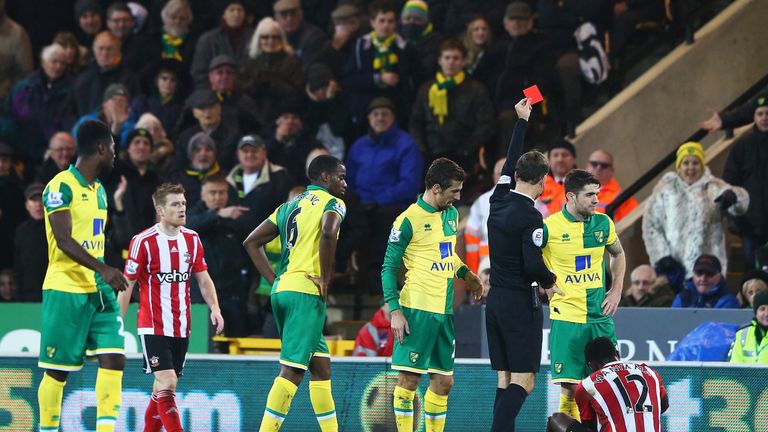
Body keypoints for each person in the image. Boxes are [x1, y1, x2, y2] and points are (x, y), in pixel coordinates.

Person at [243, 155, 347, 431]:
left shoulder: (289, 205)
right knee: (292, 370)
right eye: (341, 176)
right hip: (306, 293)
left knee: (321, 367)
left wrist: (276, 280)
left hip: (282, 291)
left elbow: (251, 242)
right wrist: (325, 279)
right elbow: (328, 231)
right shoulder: (333, 203)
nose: (344, 183)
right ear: (325, 177)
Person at [37, 120, 128, 432]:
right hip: (65, 289)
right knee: (58, 372)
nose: (116, 154)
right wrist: (103, 267)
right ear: (102, 148)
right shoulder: (59, 186)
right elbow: (63, 240)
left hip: (98, 290)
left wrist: (104, 271)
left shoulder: (100, 190)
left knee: (115, 357)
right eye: (113, 148)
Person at [382, 157, 483, 432]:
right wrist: (395, 311)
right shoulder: (406, 220)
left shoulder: (450, 215)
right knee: (408, 382)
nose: (458, 197)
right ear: (436, 188)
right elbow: (388, 268)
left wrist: (468, 275)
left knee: (443, 383)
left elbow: (447, 255)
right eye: (454, 191)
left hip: (444, 310)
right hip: (416, 310)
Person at [118, 183, 225, 432]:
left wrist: (215, 309)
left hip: (182, 325)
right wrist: (116, 323)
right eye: (175, 204)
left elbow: (203, 278)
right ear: (160, 210)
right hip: (153, 324)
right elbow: (127, 285)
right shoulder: (143, 242)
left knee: (161, 388)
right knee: (167, 381)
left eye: (184, 204)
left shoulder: (192, 238)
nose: (182, 209)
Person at [485, 98, 559, 432]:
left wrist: (522, 122)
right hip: (519, 303)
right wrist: (551, 280)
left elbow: (508, 165)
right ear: (543, 180)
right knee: (524, 382)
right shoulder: (532, 216)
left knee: (505, 381)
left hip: (495, 302)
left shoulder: (497, 199)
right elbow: (533, 264)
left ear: (515, 176)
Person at [542, 169, 626, 420]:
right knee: (570, 390)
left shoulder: (603, 223)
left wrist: (617, 290)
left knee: (609, 386)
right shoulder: (550, 228)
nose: (596, 199)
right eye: (589, 195)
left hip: (600, 315)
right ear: (570, 196)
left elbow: (618, 253)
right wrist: (545, 282)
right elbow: (528, 258)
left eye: (597, 194)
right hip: (567, 316)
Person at [642, 141, 749, 276]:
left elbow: (742, 204)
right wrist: (662, 255)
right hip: (673, 267)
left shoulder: (713, 186)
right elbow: (651, 223)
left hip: (707, 267)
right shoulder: (666, 188)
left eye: (695, 163)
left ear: (702, 166)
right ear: (679, 166)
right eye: (686, 163)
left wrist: (734, 196)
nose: (690, 167)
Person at [547, 337, 669, 432]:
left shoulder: (588, 384)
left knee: (556, 419)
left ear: (591, 365)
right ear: (617, 354)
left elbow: (590, 426)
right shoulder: (650, 372)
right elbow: (663, 406)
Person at [409, 37, 495, 174]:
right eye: (447, 58)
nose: (451, 62)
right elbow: (416, 121)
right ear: (439, 60)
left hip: (463, 156)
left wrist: (466, 149)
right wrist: (422, 149)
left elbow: (485, 124)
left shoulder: (476, 89)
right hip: (430, 154)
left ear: (464, 61)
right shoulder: (426, 89)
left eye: (456, 58)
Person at [343, 0, 420, 135]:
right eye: (382, 21)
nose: (386, 26)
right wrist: (378, 79)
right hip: (366, 112)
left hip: (398, 111)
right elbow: (350, 80)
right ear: (372, 22)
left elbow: (417, 77)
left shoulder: (405, 47)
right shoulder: (360, 47)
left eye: (390, 21)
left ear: (396, 24)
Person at [6, 43, 73, 168]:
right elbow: (11, 120)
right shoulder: (23, 89)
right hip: (25, 153)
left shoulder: (73, 89)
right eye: (54, 61)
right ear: (43, 62)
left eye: (62, 63)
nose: (58, 66)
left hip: (61, 156)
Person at [722, 97, 768, 270]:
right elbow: (730, 180)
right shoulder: (743, 145)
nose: (764, 117)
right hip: (751, 224)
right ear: (754, 118)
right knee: (751, 271)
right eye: (760, 114)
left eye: (767, 113)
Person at [191, 0, 254, 88]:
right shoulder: (208, 39)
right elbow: (199, 73)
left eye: (240, 10)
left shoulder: (254, 37)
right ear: (223, 14)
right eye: (232, 10)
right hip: (213, 92)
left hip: (248, 92)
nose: (236, 14)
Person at [464, 158, 505, 273]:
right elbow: (471, 239)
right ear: (494, 177)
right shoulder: (482, 202)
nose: (504, 178)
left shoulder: (526, 200)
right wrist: (472, 275)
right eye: (501, 174)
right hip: (487, 267)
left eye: (508, 173)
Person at [73, 83, 137, 150]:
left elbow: (118, 150)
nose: (118, 103)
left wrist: (117, 125)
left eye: (123, 101)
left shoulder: (131, 127)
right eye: (114, 99)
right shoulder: (87, 121)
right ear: (104, 104)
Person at [13, 183, 47, 302]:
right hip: (29, 294)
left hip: (53, 292)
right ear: (27, 205)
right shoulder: (21, 231)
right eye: (34, 200)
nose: (38, 204)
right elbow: (18, 267)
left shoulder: (57, 230)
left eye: (41, 199)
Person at [584, 149, 638, 222]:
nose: (598, 168)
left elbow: (633, 226)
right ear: (587, 167)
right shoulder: (571, 189)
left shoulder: (622, 198)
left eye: (604, 166)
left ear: (612, 171)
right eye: (594, 164)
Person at [273, 0, 328, 68]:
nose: (289, 19)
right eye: (283, 14)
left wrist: (292, 57)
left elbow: (310, 70)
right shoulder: (270, 36)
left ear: (301, 14)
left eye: (293, 13)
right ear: (276, 17)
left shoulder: (314, 37)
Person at [671, 254, 739, 309]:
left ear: (719, 276)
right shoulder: (681, 298)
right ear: (693, 275)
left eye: (709, 273)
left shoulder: (728, 301)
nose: (703, 278)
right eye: (699, 273)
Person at [400, 0, 442, 76]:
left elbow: (427, 68)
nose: (411, 22)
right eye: (407, 18)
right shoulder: (397, 39)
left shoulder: (435, 41)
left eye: (417, 19)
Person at [539, 138, 576, 216]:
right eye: (555, 155)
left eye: (565, 155)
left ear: (573, 160)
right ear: (548, 161)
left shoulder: (584, 185)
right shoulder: (538, 187)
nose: (560, 159)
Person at [729, 290, 768, 364]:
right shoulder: (742, 334)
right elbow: (734, 366)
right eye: (762, 309)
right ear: (756, 312)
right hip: (744, 376)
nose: (767, 313)